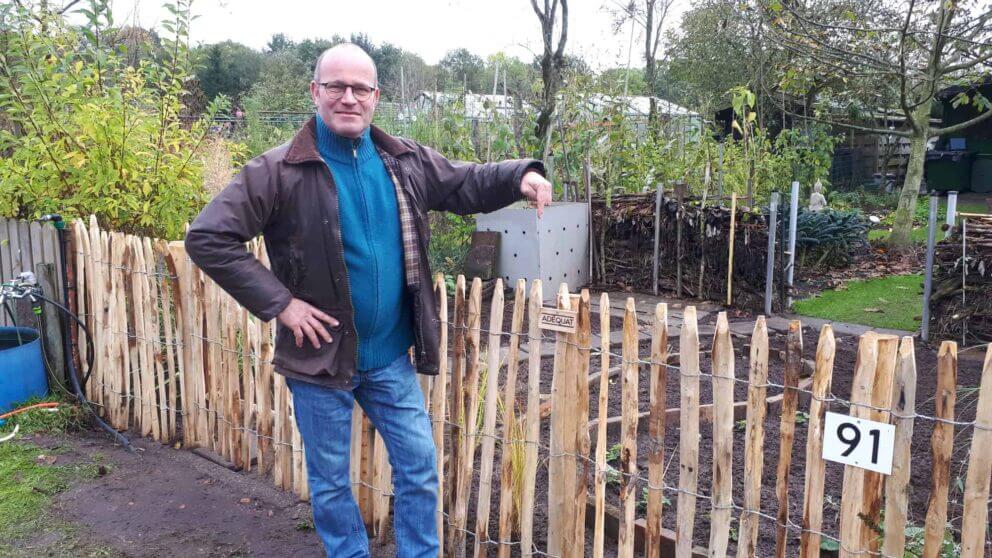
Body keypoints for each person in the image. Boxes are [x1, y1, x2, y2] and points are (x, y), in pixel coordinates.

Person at [185, 43, 552, 558]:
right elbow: (207, 237)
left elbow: (465, 182)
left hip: (388, 359)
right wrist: (281, 304)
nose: (349, 98)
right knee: (332, 483)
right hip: (320, 359)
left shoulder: (403, 160)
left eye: (360, 88)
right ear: (315, 92)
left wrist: (520, 176)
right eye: (336, 86)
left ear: (376, 96)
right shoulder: (277, 171)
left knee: (420, 468)